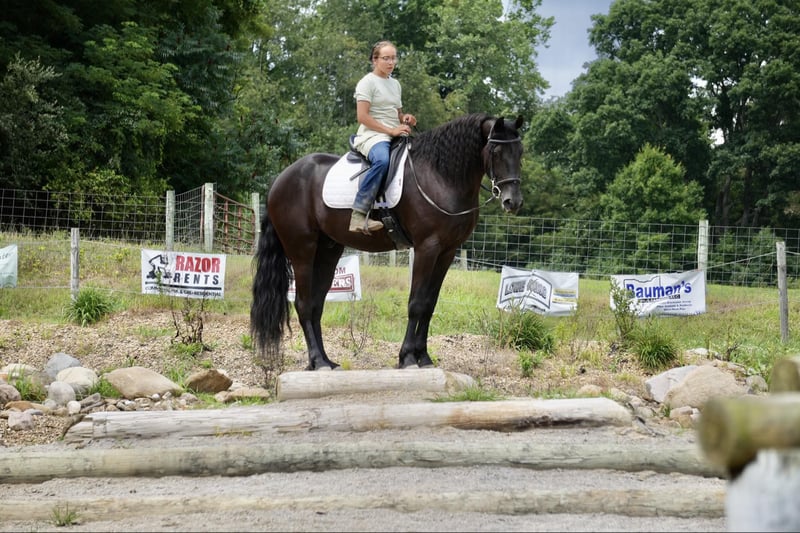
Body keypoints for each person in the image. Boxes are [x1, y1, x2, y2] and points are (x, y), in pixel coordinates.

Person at [349, 40, 417, 234]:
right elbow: (362, 117)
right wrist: (391, 131)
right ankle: (358, 214)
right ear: (375, 60)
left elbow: (396, 113)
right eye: (386, 58)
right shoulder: (367, 82)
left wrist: (405, 118)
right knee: (382, 160)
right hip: (372, 135)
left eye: (393, 58)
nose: (391, 62)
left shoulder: (395, 84)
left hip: (395, 133)